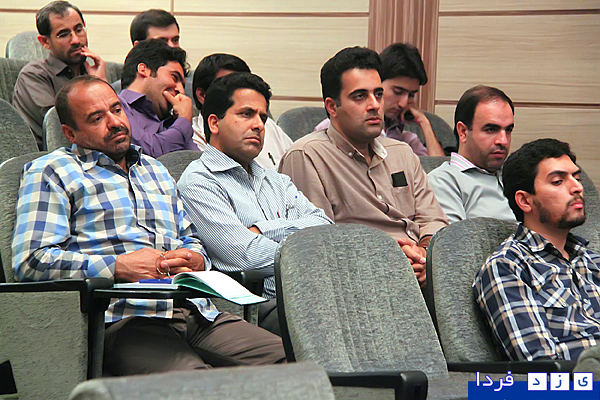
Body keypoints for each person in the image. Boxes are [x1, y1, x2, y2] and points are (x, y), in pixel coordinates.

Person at [12, 75, 285, 375]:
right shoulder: (52, 172)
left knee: (298, 363)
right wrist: (117, 267)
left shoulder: (155, 170)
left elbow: (190, 238)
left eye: (117, 109)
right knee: (198, 384)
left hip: (196, 312)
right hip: (124, 319)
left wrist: (195, 259)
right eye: (96, 118)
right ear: (70, 133)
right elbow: (31, 260)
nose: (115, 122)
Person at [279, 46, 448, 287]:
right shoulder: (307, 156)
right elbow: (316, 244)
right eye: (360, 96)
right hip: (358, 282)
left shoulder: (402, 152)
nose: (374, 105)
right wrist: (394, 260)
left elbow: (434, 220)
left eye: (378, 94)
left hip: (419, 273)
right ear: (332, 107)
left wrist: (423, 253)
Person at [179, 72, 332, 334]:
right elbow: (246, 257)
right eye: (246, 114)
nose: (259, 125)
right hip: (254, 307)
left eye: (262, 117)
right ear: (214, 123)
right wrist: (303, 245)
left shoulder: (276, 180)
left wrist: (262, 230)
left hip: (308, 292)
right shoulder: (199, 181)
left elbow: (324, 226)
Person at [473, 138, 600, 361]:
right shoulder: (507, 266)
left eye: (577, 178)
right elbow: (539, 363)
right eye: (558, 181)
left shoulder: (593, 262)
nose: (577, 188)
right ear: (524, 201)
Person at [314, 43, 447, 156]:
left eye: (411, 95)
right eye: (398, 92)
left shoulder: (406, 140)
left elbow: (438, 171)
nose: (404, 103)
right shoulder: (331, 128)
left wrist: (424, 123)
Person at [12, 0, 106, 148]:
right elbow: (59, 128)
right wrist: (97, 89)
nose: (76, 40)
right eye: (63, 35)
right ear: (45, 42)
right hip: (53, 157)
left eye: (79, 30)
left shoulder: (94, 70)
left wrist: (99, 83)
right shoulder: (34, 75)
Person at [428, 85, 516, 223]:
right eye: (491, 129)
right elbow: (454, 236)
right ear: (463, 132)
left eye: (508, 130)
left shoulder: (518, 175)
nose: (503, 141)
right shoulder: (443, 181)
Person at [191, 53, 293, 170]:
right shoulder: (194, 137)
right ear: (202, 95)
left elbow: (294, 165)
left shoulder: (267, 124)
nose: (259, 125)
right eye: (246, 114)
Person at [119, 39, 198, 158]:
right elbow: (150, 154)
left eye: (182, 85)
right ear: (144, 70)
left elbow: (194, 159)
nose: (181, 90)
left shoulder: (172, 122)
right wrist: (184, 120)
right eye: (174, 77)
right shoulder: (116, 108)